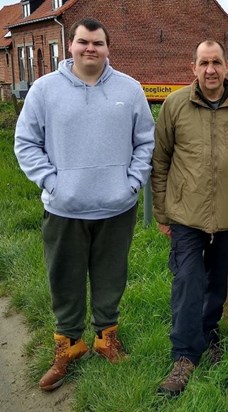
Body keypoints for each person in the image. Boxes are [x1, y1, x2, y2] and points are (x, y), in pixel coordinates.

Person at [14, 17, 155, 391]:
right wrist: (52, 182)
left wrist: (132, 183)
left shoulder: (130, 89)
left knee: (111, 278)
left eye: (97, 43)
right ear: (70, 45)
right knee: (65, 280)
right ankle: (68, 345)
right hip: (65, 209)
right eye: (83, 42)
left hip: (116, 207)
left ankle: (105, 338)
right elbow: (26, 142)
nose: (90, 48)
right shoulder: (45, 91)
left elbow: (145, 141)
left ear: (108, 48)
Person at [151, 39, 228, 396]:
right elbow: (160, 163)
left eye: (216, 62)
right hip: (185, 215)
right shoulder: (175, 105)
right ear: (193, 67)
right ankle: (184, 357)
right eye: (203, 63)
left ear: (227, 67)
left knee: (217, 281)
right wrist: (162, 213)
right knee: (188, 281)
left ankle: (208, 334)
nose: (210, 70)